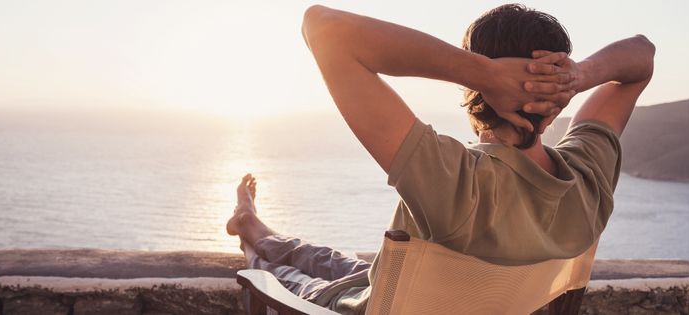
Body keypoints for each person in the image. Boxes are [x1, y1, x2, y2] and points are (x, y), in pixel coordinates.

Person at [226, 3, 654, 314]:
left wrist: (483, 74)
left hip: (362, 307)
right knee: (333, 261)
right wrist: (577, 76)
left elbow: (322, 26)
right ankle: (253, 224)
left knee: (282, 276)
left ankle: (253, 238)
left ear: (473, 91)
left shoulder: (457, 180)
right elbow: (642, 54)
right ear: (558, 102)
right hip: (422, 288)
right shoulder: (587, 178)